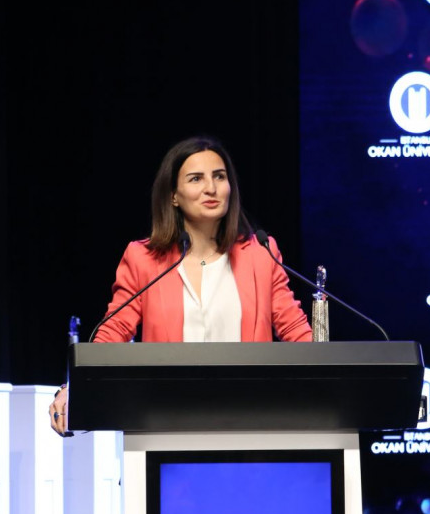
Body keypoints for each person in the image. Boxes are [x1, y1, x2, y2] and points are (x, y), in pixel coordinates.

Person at [49, 136, 312, 433]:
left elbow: (295, 331)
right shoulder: (144, 259)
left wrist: (330, 379)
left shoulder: (261, 254)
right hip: (165, 422)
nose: (211, 188)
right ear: (173, 195)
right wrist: (74, 389)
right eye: (196, 179)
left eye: (219, 176)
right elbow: (113, 333)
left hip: (250, 420)